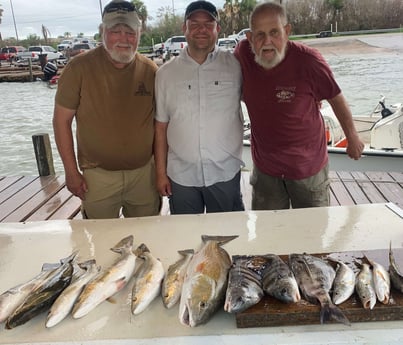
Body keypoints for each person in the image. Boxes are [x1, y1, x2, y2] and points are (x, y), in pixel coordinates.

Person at [234, 1, 364, 210]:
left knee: (313, 235)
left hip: (308, 169)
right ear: (249, 38)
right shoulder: (242, 55)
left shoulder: (309, 61)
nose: (267, 41)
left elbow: (336, 98)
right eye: (260, 35)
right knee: (269, 234)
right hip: (266, 171)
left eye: (274, 32)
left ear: (286, 32)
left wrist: (353, 138)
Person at [53, 0, 160, 219]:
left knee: (149, 240)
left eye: (130, 32)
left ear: (139, 33)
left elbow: (161, 125)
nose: (124, 39)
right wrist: (71, 172)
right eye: (115, 31)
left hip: (143, 176)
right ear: (102, 32)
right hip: (97, 177)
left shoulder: (151, 70)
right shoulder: (78, 68)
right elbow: (61, 121)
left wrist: (161, 171)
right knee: (100, 244)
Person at [154, 0, 245, 214]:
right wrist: (160, 173)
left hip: (224, 173)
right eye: (194, 24)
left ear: (218, 29)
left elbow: (261, 100)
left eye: (208, 24)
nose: (201, 29)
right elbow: (160, 127)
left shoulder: (236, 66)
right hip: (181, 176)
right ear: (184, 28)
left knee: (228, 237)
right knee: (185, 239)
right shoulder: (165, 74)